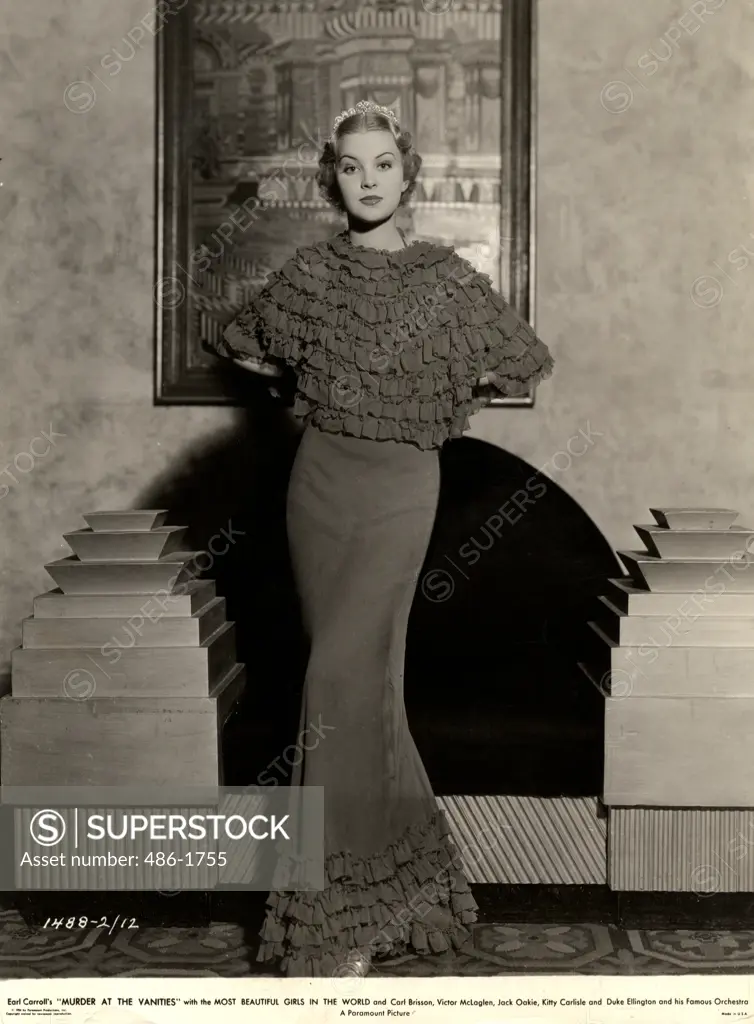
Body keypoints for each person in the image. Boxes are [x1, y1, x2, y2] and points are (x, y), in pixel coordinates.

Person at [206, 99, 553, 978]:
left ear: (410, 174)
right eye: (352, 168)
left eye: (383, 166)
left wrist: (435, 383)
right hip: (319, 485)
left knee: (338, 682)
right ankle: (406, 890)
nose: (368, 182)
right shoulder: (313, 274)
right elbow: (242, 339)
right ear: (335, 179)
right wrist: (306, 381)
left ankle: (335, 916)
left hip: (402, 488)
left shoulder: (443, 278)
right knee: (360, 693)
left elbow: (521, 358)